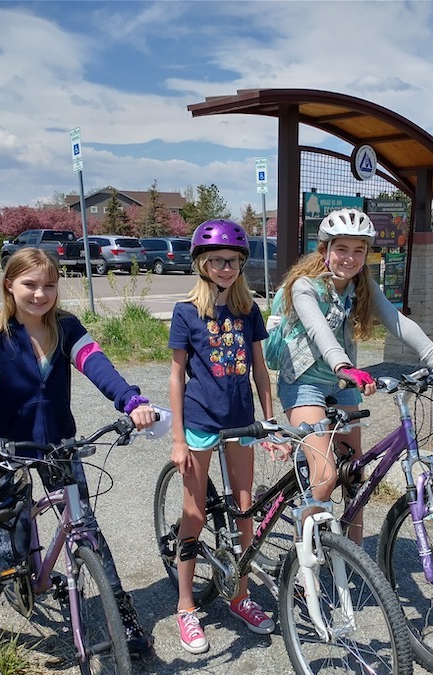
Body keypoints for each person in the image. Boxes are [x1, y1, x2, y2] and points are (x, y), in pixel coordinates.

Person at [0, 247, 157, 660]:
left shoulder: (64, 327)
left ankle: (123, 613)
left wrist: (131, 401)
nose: (40, 294)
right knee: (14, 544)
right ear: (9, 284)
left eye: (49, 285)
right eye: (30, 284)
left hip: (60, 444)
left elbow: (97, 365)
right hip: (6, 450)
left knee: (89, 533)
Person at [272, 208, 433, 543]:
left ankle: (356, 559)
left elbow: (398, 321)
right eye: (342, 249)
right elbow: (319, 330)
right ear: (325, 250)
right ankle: (304, 569)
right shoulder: (305, 287)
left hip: (341, 382)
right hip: (304, 382)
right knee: (325, 477)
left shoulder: (362, 285)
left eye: (358, 250)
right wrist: (343, 366)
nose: (349, 258)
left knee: (354, 477)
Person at [168, 219, 279, 654]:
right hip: (199, 421)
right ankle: (185, 606)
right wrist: (177, 438)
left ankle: (239, 596)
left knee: (245, 510)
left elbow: (260, 371)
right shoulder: (186, 312)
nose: (225, 267)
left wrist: (269, 421)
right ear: (201, 263)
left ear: (241, 264)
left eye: (232, 261)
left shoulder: (249, 311)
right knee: (194, 514)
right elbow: (177, 378)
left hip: (241, 423)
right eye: (216, 260)